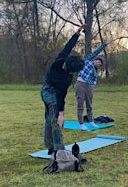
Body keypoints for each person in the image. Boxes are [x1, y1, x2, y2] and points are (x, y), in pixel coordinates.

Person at [41, 24, 86, 155]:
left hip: (44, 90)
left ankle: (50, 146)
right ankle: (59, 149)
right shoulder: (65, 79)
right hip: (51, 93)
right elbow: (61, 96)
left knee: (49, 119)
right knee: (56, 120)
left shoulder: (60, 60)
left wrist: (77, 34)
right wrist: (60, 114)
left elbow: (68, 47)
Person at [75, 41, 109, 131]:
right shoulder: (88, 61)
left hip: (88, 87)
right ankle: (81, 123)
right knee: (80, 104)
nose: (98, 63)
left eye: (100, 64)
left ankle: (91, 121)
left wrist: (92, 88)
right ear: (94, 60)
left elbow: (94, 82)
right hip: (80, 84)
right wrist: (104, 45)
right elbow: (96, 52)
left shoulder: (95, 72)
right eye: (98, 61)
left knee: (89, 105)